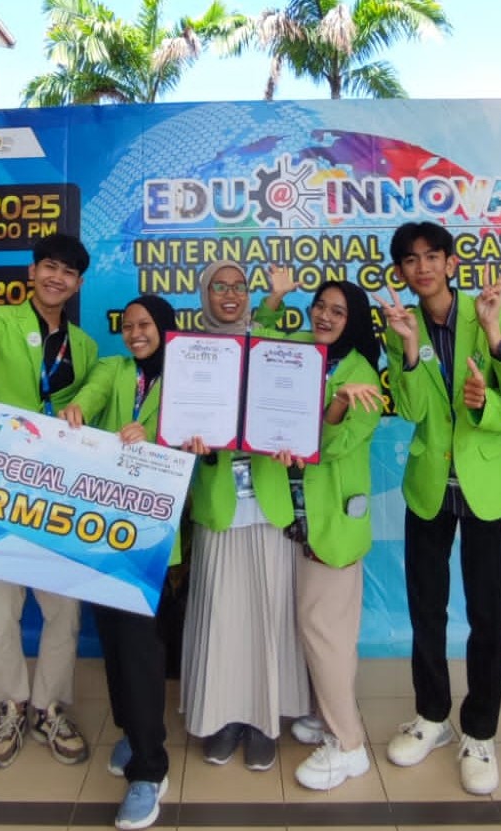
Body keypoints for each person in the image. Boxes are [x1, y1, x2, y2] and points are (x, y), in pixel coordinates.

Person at [378, 221, 501, 795]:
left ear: (450, 263)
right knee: (427, 607)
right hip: (429, 487)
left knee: (487, 612)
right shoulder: (401, 324)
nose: (421, 267)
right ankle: (432, 715)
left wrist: (493, 344)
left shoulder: (492, 313)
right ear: (401, 271)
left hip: (483, 485)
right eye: (409, 260)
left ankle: (481, 730)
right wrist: (409, 348)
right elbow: (414, 410)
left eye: (431, 256)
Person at [0, 232, 96, 770]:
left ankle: (48, 707)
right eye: (49, 266)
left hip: (56, 489)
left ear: (78, 284)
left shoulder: (84, 347)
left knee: (63, 608)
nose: (56, 278)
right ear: (32, 271)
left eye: (68, 272)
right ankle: (11, 704)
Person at [180, 260, 310, 772]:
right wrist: (188, 441)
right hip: (218, 505)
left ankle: (264, 722)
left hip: (269, 502)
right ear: (205, 294)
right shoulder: (190, 354)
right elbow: (176, 422)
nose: (230, 294)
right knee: (222, 618)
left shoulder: (272, 346)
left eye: (238, 286)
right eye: (219, 286)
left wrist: (294, 439)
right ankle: (224, 718)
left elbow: (296, 401)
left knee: (269, 616)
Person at [258, 273, 384, 790]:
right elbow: (260, 342)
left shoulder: (364, 378)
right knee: (326, 630)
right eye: (319, 306)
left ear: (353, 321)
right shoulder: (301, 350)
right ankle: (325, 715)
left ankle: (348, 746)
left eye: (338, 311)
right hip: (293, 512)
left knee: (325, 631)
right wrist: (275, 297)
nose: (325, 316)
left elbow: (330, 448)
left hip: (330, 521)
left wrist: (338, 404)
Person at [61, 295, 177, 830]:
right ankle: (132, 730)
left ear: (164, 326)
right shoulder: (113, 368)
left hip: (154, 534)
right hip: (104, 529)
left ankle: (150, 770)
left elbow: (200, 441)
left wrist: (155, 438)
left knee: (139, 648)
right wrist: (78, 412)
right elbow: (91, 394)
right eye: (128, 326)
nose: (135, 333)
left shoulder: (187, 375)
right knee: (112, 640)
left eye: (145, 324)